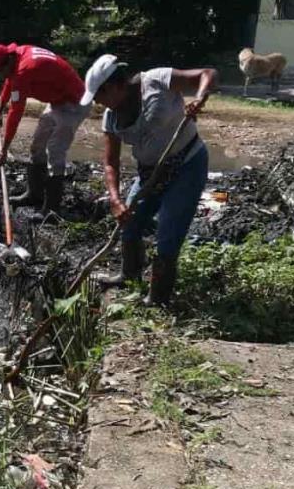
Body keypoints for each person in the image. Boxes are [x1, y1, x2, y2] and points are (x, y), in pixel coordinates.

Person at [79, 54, 217, 305]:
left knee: (168, 233)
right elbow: (111, 162)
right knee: (130, 224)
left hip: (187, 164)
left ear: (113, 87)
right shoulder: (111, 117)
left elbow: (207, 73)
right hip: (149, 175)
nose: (98, 103)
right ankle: (128, 274)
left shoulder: (156, 80)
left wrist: (199, 97)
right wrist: (115, 199)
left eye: (99, 96)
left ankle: (157, 299)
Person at [0, 43, 90, 213]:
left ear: (8, 61)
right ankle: (34, 194)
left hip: (74, 104)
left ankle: (51, 210)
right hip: (57, 102)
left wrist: (4, 149)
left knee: (55, 152)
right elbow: (9, 83)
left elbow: (16, 112)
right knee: (37, 146)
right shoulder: (18, 55)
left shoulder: (25, 70)